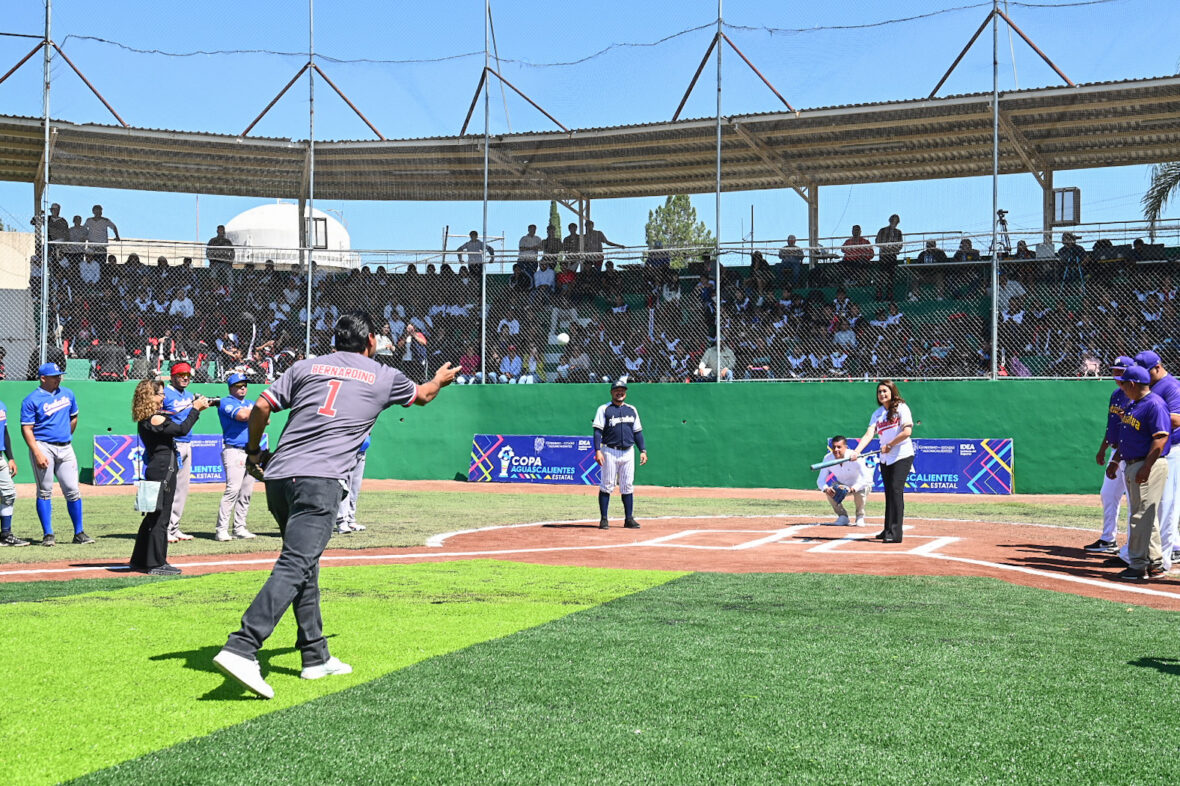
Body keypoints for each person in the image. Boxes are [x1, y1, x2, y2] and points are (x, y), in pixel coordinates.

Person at [212, 311, 459, 700]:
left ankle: (315, 655)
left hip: (279, 478)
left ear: (334, 341)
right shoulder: (383, 375)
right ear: (371, 342)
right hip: (320, 480)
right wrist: (440, 379)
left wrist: (255, 450)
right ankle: (243, 646)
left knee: (304, 563)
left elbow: (261, 408)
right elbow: (424, 395)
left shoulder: (305, 367)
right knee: (296, 563)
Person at [129, 379, 212, 575]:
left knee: (153, 516)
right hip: (163, 470)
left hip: (158, 468)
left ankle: (141, 560)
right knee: (161, 518)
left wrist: (191, 407)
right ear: (151, 396)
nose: (164, 397)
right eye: (160, 394)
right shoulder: (155, 418)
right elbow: (182, 430)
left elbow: (174, 422)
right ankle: (156, 563)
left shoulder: (149, 417)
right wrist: (195, 409)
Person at [1107, 364, 1170, 580]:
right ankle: (1155, 563)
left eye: (1124, 385)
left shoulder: (1154, 404)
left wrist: (1146, 467)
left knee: (1140, 515)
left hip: (1147, 464)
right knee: (1146, 516)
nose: (1122, 389)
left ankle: (1137, 565)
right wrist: (1115, 461)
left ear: (1132, 384)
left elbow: (1160, 437)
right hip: (1134, 463)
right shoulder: (1136, 404)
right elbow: (1127, 438)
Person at [19, 362, 90, 546]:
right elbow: (27, 428)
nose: (59, 378)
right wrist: (36, 452)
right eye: (54, 376)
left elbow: (74, 417)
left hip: (65, 447)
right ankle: (48, 534)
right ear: (43, 378)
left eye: (59, 375)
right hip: (44, 447)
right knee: (44, 491)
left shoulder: (67, 394)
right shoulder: (31, 399)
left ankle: (79, 532)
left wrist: (66, 434)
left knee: (73, 490)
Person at [848, 380, 914, 543]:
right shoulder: (877, 413)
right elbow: (869, 434)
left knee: (895, 491)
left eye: (885, 391)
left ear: (892, 392)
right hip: (885, 458)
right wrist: (856, 451)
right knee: (889, 493)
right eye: (879, 392)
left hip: (902, 455)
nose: (882, 394)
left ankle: (896, 534)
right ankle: (887, 529)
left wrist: (890, 444)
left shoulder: (901, 408)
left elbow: (907, 431)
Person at [1134, 350, 1180, 566]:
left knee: (1167, 504)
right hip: (1153, 449)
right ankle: (1148, 552)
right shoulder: (1150, 385)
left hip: (1172, 449)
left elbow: (1178, 419)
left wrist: (1148, 415)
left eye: (1146, 371)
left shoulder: (1170, 386)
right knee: (1150, 503)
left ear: (1157, 367)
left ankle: (1166, 556)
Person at [1086, 356, 1135, 555]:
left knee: (1134, 502)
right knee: (1108, 494)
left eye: (1120, 371)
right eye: (1115, 370)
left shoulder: (1135, 395)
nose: (1116, 375)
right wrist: (1103, 448)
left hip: (1131, 452)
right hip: (1116, 449)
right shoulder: (1116, 394)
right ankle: (1108, 540)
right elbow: (1112, 425)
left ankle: (1134, 546)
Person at [592, 377, 647, 529]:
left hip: (628, 452)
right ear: (611, 392)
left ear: (625, 393)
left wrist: (642, 450)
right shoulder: (604, 409)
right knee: (607, 485)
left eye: (622, 391)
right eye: (617, 391)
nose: (619, 393)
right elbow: (597, 432)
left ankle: (629, 518)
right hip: (610, 451)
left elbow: (638, 432)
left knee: (627, 485)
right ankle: (604, 519)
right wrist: (598, 451)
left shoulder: (632, 409)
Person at [215, 372, 260, 542]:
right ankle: (221, 529)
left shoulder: (249, 403)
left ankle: (240, 527)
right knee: (233, 490)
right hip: (234, 449)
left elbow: (266, 419)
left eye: (244, 386)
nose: (242, 389)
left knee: (246, 491)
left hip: (251, 451)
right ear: (231, 388)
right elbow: (242, 416)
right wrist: (253, 414)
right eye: (239, 386)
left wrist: (252, 413)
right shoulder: (226, 401)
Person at [163, 361, 197, 543]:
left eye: (188, 375)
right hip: (171, 442)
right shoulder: (165, 394)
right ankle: (164, 527)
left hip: (187, 443)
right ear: (173, 376)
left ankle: (174, 527)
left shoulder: (190, 395)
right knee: (169, 487)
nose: (185, 378)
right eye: (181, 375)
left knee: (182, 488)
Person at [816, 435, 872, 526]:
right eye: (834, 447)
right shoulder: (827, 458)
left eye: (839, 447)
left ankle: (860, 517)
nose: (836, 450)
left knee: (862, 490)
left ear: (845, 447)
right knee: (829, 491)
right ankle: (843, 517)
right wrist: (826, 489)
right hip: (841, 485)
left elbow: (867, 478)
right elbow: (820, 480)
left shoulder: (855, 456)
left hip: (858, 484)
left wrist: (854, 488)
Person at [0, 397, 24, 547]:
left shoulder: (1, 404)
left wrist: (11, 458)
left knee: (9, 494)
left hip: (0, 458)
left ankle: (5, 535)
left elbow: (5, 433)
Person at [335, 434, 370, 535]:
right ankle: (341, 522)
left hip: (361, 452)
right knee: (345, 487)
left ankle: (351, 520)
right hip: (348, 452)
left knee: (355, 489)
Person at [874, 214, 903, 300]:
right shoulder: (882, 230)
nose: (894, 222)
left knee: (891, 276)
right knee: (881, 276)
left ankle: (889, 294)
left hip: (892, 256)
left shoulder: (898, 232)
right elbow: (877, 242)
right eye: (893, 220)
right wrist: (886, 247)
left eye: (896, 221)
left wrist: (893, 248)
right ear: (890, 220)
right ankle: (879, 294)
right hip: (883, 255)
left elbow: (900, 245)